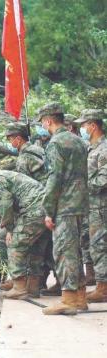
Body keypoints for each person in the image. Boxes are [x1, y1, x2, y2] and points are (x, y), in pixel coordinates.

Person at [37, 103, 89, 315]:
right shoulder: (78, 140)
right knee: (75, 251)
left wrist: (48, 209)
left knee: (64, 251)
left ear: (48, 120)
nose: (42, 126)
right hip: (80, 202)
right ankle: (80, 297)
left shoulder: (55, 143)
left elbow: (54, 178)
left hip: (64, 205)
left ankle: (68, 299)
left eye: (42, 122)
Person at [0, 153, 49, 299]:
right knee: (35, 248)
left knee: (15, 244)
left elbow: (5, 204)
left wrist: (10, 229)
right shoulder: (5, 175)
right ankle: (33, 287)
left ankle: (19, 287)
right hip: (45, 209)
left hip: (34, 211)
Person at [77, 109, 107, 303]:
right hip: (92, 205)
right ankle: (99, 284)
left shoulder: (104, 149)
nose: (82, 129)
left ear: (93, 126)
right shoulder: (92, 147)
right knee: (92, 245)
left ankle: (103, 288)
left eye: (84, 125)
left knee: (100, 246)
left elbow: (104, 178)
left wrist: (84, 185)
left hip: (101, 206)